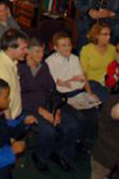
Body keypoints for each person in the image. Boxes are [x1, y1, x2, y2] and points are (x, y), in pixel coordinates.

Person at [18, 36, 81, 172]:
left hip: (48, 105)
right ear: (27, 51)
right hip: (28, 108)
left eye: (42, 52)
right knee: (49, 131)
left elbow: (52, 90)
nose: (41, 55)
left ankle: (61, 154)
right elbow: (18, 96)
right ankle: (40, 157)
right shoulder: (19, 68)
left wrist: (57, 109)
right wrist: (40, 110)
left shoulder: (44, 66)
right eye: (37, 52)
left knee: (72, 125)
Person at [0, 29, 28, 120]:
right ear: (10, 48)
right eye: (23, 48)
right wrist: (10, 124)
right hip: (4, 120)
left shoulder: (11, 62)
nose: (26, 51)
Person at [80, 23, 116, 100]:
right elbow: (83, 74)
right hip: (92, 84)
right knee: (109, 100)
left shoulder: (113, 49)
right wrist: (89, 93)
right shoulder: (87, 49)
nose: (109, 37)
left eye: (109, 34)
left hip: (109, 84)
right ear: (97, 35)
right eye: (105, 34)